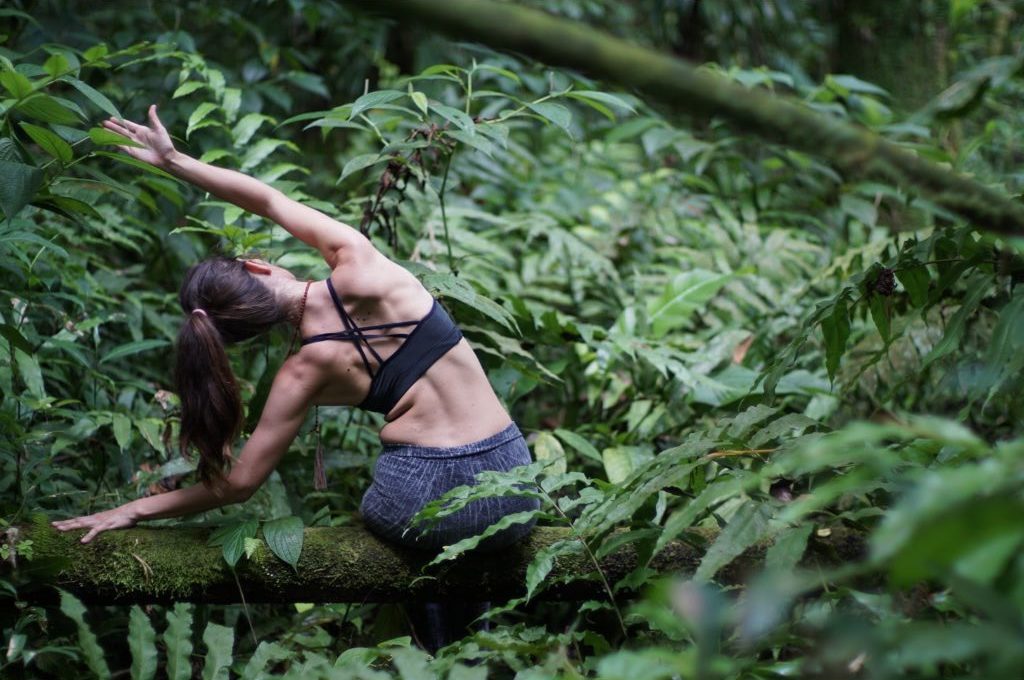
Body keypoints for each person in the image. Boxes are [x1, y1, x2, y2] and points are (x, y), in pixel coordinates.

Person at [51, 105, 540, 647]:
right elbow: (267, 198)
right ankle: (482, 642)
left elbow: (237, 486)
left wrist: (133, 509)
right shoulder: (358, 263)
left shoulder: (301, 371)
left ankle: (443, 652)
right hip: (515, 484)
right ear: (259, 267)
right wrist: (174, 161)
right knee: (463, 557)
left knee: (408, 538)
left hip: (421, 508)